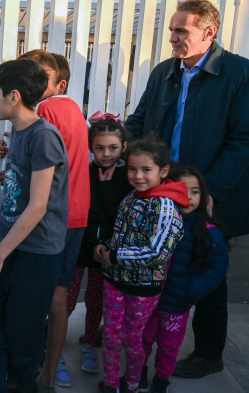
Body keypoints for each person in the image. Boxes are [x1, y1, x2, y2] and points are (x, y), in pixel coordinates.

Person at [125, 0, 249, 378]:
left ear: (209, 32)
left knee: (206, 275)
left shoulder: (239, 72)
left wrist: (210, 190)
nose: (172, 37)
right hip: (162, 194)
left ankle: (207, 353)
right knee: (156, 265)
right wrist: (118, 155)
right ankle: (139, 336)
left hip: (209, 198)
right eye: (171, 29)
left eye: (180, 30)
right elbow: (138, 123)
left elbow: (247, 137)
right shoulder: (163, 73)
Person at [0, 58, 68, 393]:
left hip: (35, 252)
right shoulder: (18, 131)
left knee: (23, 340)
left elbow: (39, 207)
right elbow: (29, 189)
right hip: (7, 239)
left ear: (13, 96)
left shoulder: (44, 136)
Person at [18, 51, 90, 391]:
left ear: (58, 82)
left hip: (51, 217)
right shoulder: (75, 109)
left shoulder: (45, 110)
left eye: (40, 75)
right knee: (58, 294)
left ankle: (34, 365)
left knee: (38, 295)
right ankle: (51, 368)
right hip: (76, 215)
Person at [93, 137, 188, 393]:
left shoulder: (166, 207)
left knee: (133, 340)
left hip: (143, 288)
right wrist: (105, 244)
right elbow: (119, 233)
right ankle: (112, 384)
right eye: (133, 169)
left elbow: (157, 252)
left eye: (147, 170)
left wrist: (116, 255)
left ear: (163, 171)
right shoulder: (130, 199)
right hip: (115, 282)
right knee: (112, 337)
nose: (138, 176)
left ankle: (132, 383)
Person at [140, 165, 229, 393]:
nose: (188, 197)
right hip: (148, 300)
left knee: (169, 347)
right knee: (142, 340)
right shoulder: (156, 221)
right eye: (181, 189)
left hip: (177, 305)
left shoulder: (209, 232)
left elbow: (216, 269)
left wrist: (192, 290)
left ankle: (161, 380)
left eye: (196, 191)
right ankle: (137, 373)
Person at [66, 113, 133, 380]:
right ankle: (54, 342)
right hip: (79, 245)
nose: (106, 154)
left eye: (113, 148)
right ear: (90, 147)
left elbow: (116, 214)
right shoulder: (84, 171)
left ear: (123, 147)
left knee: (96, 300)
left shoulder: (128, 177)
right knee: (67, 299)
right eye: (99, 147)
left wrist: (107, 190)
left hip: (105, 250)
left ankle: (89, 343)